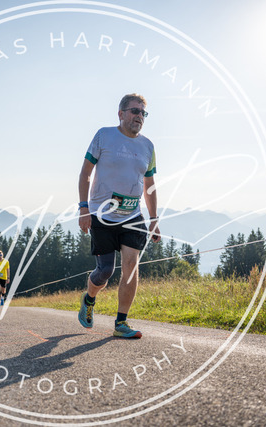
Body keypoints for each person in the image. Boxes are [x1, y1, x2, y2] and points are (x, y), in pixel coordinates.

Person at [77, 93, 161, 339]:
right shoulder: (104, 136)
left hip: (132, 215)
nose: (139, 116)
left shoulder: (148, 146)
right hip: (101, 214)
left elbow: (149, 185)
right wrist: (83, 208)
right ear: (121, 113)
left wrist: (153, 219)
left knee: (131, 266)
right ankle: (89, 298)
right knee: (105, 271)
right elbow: (85, 174)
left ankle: (121, 323)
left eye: (143, 113)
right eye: (135, 111)